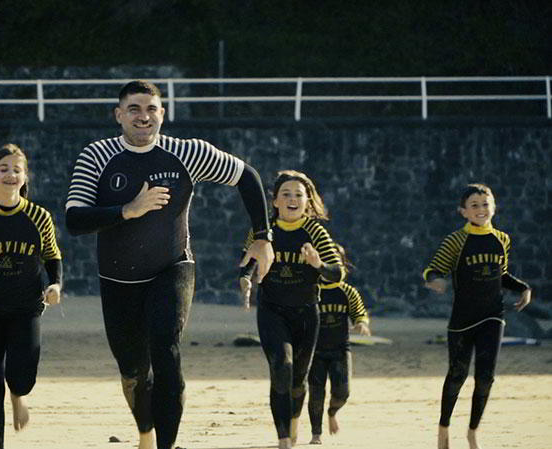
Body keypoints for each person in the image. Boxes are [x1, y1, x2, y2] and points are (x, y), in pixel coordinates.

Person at [65, 80, 274, 449]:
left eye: (151, 109)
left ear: (163, 113)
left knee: (166, 350)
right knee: (133, 371)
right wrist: (127, 210)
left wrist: (263, 237)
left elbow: (247, 176)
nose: (143, 116)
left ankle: (167, 444)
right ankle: (146, 433)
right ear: (118, 115)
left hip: (173, 268)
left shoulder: (187, 152)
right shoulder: (96, 156)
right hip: (118, 280)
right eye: (134, 109)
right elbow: (75, 220)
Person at [0, 143, 63, 449]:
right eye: (3, 169)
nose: (10, 175)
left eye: (17, 170)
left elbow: (52, 256)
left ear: (25, 177)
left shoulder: (38, 216)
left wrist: (55, 285)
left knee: (22, 378)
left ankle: (18, 394)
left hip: (26, 309)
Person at [239, 170, 344, 449]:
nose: (292, 199)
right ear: (275, 201)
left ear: (307, 201)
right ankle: (283, 438)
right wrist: (245, 279)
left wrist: (318, 265)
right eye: (285, 194)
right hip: (272, 311)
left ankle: (294, 422)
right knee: (281, 368)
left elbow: (337, 274)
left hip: (306, 314)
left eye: (298, 194)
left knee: (298, 381)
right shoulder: (264, 231)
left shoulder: (316, 232)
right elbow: (247, 261)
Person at [422, 183, 532, 449]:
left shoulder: (502, 239)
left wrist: (523, 288)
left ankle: (472, 432)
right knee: (457, 376)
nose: (481, 209)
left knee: (485, 378)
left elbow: (500, 274)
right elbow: (432, 269)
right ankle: (443, 428)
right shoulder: (456, 241)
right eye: (474, 205)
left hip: (493, 315)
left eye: (485, 204)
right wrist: (435, 280)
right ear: (463, 211)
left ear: (493, 207)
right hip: (462, 320)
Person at [306, 243, 370, 445]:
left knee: (343, 392)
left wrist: (361, 323)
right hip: (315, 352)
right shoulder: (311, 289)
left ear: (342, 266)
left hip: (341, 350)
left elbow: (359, 312)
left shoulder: (347, 291)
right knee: (316, 393)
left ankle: (332, 412)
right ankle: (316, 433)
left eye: (335, 262)